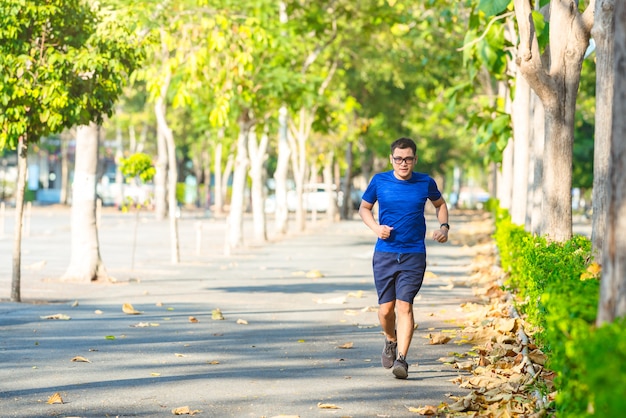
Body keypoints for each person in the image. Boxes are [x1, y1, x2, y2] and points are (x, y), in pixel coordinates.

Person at [358, 137, 449, 379]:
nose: (403, 163)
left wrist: (444, 227)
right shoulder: (379, 181)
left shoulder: (425, 182)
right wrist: (376, 229)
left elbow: (440, 204)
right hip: (385, 254)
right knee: (385, 310)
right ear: (392, 159)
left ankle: (402, 359)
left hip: (414, 254)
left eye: (408, 158)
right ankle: (390, 339)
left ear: (415, 159)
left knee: (405, 305)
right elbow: (364, 208)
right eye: (398, 159)